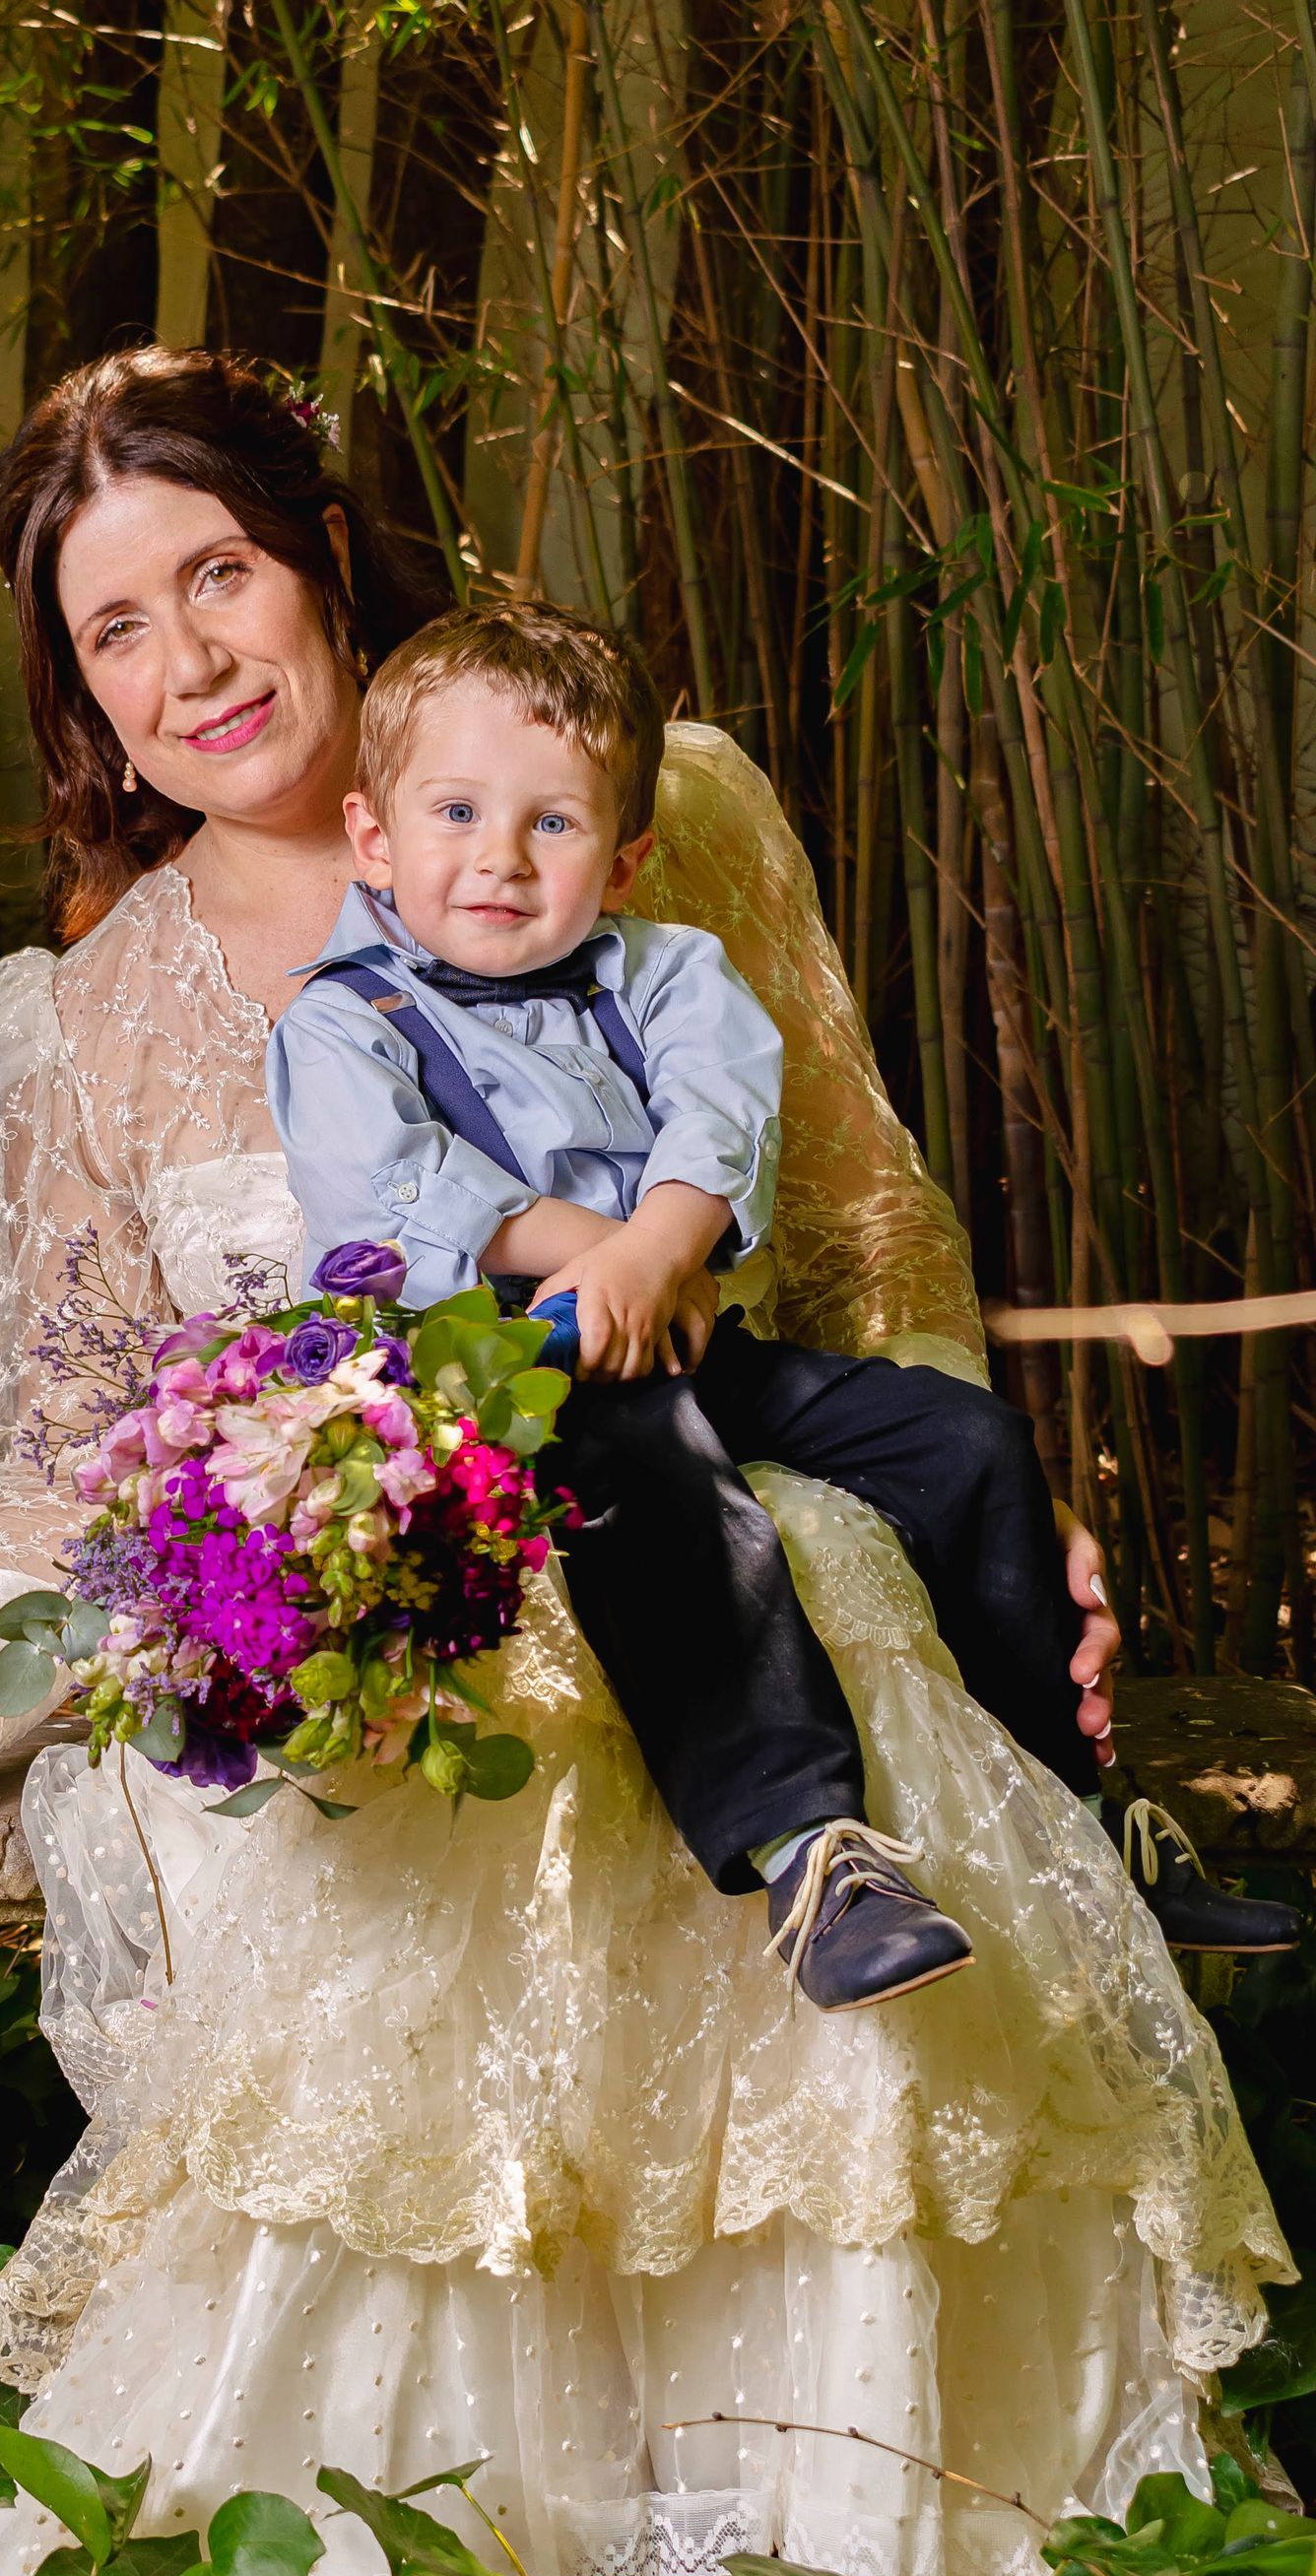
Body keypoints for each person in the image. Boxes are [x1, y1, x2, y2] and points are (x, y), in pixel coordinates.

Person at [0, 347, 1290, 2576]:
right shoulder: (74, 1031)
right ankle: (418, 2574)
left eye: (223, 573)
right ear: (84, 698)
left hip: (709, 1485)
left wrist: (994, 1502)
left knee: (793, 1597)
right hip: (377, 1633)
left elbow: (862, 1220)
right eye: (119, 630)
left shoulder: (649, 806)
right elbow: (62, 1477)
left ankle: (878, 2503)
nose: (194, 661)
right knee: (475, 1752)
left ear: (325, 559)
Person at [267, 600, 1299, 2008]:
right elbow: (400, 1192)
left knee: (964, 1441)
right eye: (456, 812)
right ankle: (810, 1855)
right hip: (507, 1387)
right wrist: (621, 1259)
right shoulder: (341, 1020)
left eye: (553, 823)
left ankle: (1081, 1816)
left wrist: (663, 1256)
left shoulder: (666, 969)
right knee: (664, 1487)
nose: (501, 856)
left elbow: (723, 1118)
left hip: (698, 1335)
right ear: (374, 837)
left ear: (624, 855)